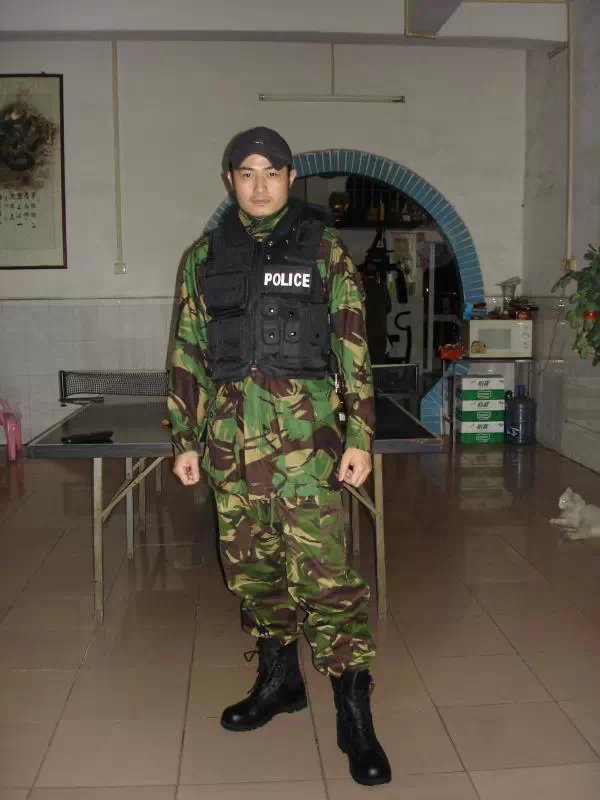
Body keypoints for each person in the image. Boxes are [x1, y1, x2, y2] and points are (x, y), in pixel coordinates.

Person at [168, 126, 391, 786]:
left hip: (306, 450)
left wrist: (361, 436)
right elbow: (187, 352)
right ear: (230, 180)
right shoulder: (203, 256)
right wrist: (184, 439)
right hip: (230, 449)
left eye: (272, 172)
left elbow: (353, 344)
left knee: (327, 579)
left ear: (291, 178)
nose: (260, 185)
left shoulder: (324, 248)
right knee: (253, 573)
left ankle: (355, 715)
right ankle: (280, 683)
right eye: (247, 173)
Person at [362, 260, 392, 363]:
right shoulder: (382, 289)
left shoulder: (360, 290)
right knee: (378, 364)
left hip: (364, 333)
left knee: (365, 364)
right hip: (380, 332)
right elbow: (389, 308)